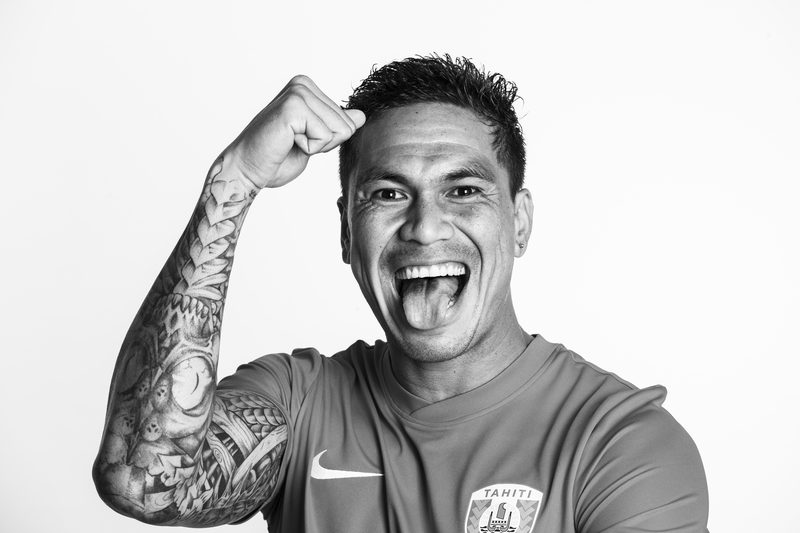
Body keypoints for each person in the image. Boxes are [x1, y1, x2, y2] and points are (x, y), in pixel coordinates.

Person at [94, 55, 709, 532]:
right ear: (345, 232)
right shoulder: (300, 404)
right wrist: (233, 182)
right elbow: (141, 480)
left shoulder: (621, 444)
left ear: (519, 223)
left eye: (463, 190)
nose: (424, 227)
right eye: (388, 194)